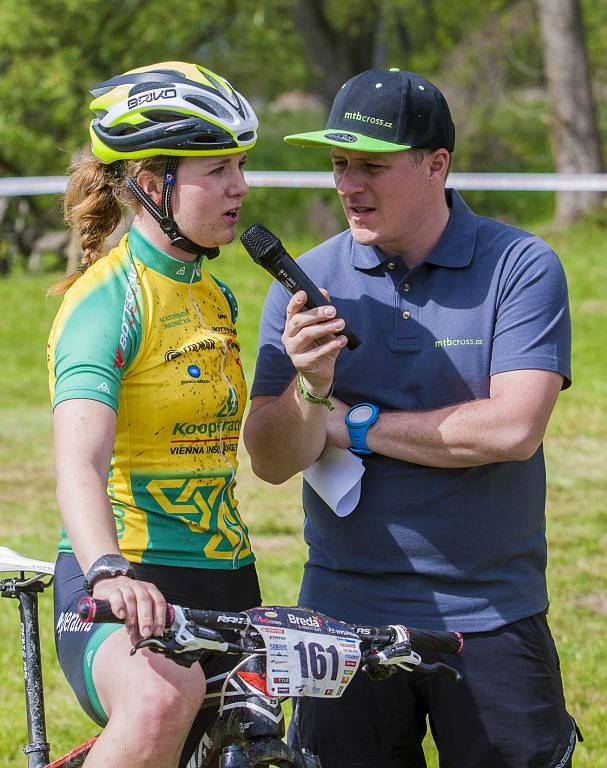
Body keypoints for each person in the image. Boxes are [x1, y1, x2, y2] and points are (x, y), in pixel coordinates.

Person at [244, 68, 580, 767]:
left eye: (371, 165)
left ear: (436, 165)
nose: (347, 185)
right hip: (338, 616)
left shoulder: (519, 265)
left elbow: (511, 431)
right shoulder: (303, 282)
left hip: (488, 614)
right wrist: (310, 389)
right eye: (338, 165)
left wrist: (354, 425)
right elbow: (272, 462)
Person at [48, 61, 260, 768]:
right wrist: (109, 571)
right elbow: (78, 458)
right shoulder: (108, 297)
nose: (240, 187)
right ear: (150, 181)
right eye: (217, 170)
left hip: (227, 577)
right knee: (160, 700)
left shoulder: (216, 296)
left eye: (239, 165)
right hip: (125, 580)